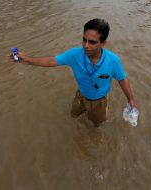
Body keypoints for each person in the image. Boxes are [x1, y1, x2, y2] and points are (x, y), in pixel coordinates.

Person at [8, 18, 138, 126]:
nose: (86, 45)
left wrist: (131, 100)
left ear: (103, 43)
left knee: (96, 125)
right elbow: (51, 61)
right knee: (73, 115)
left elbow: (122, 79)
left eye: (92, 42)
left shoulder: (113, 61)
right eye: (84, 39)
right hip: (80, 95)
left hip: (100, 101)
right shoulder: (75, 55)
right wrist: (28, 60)